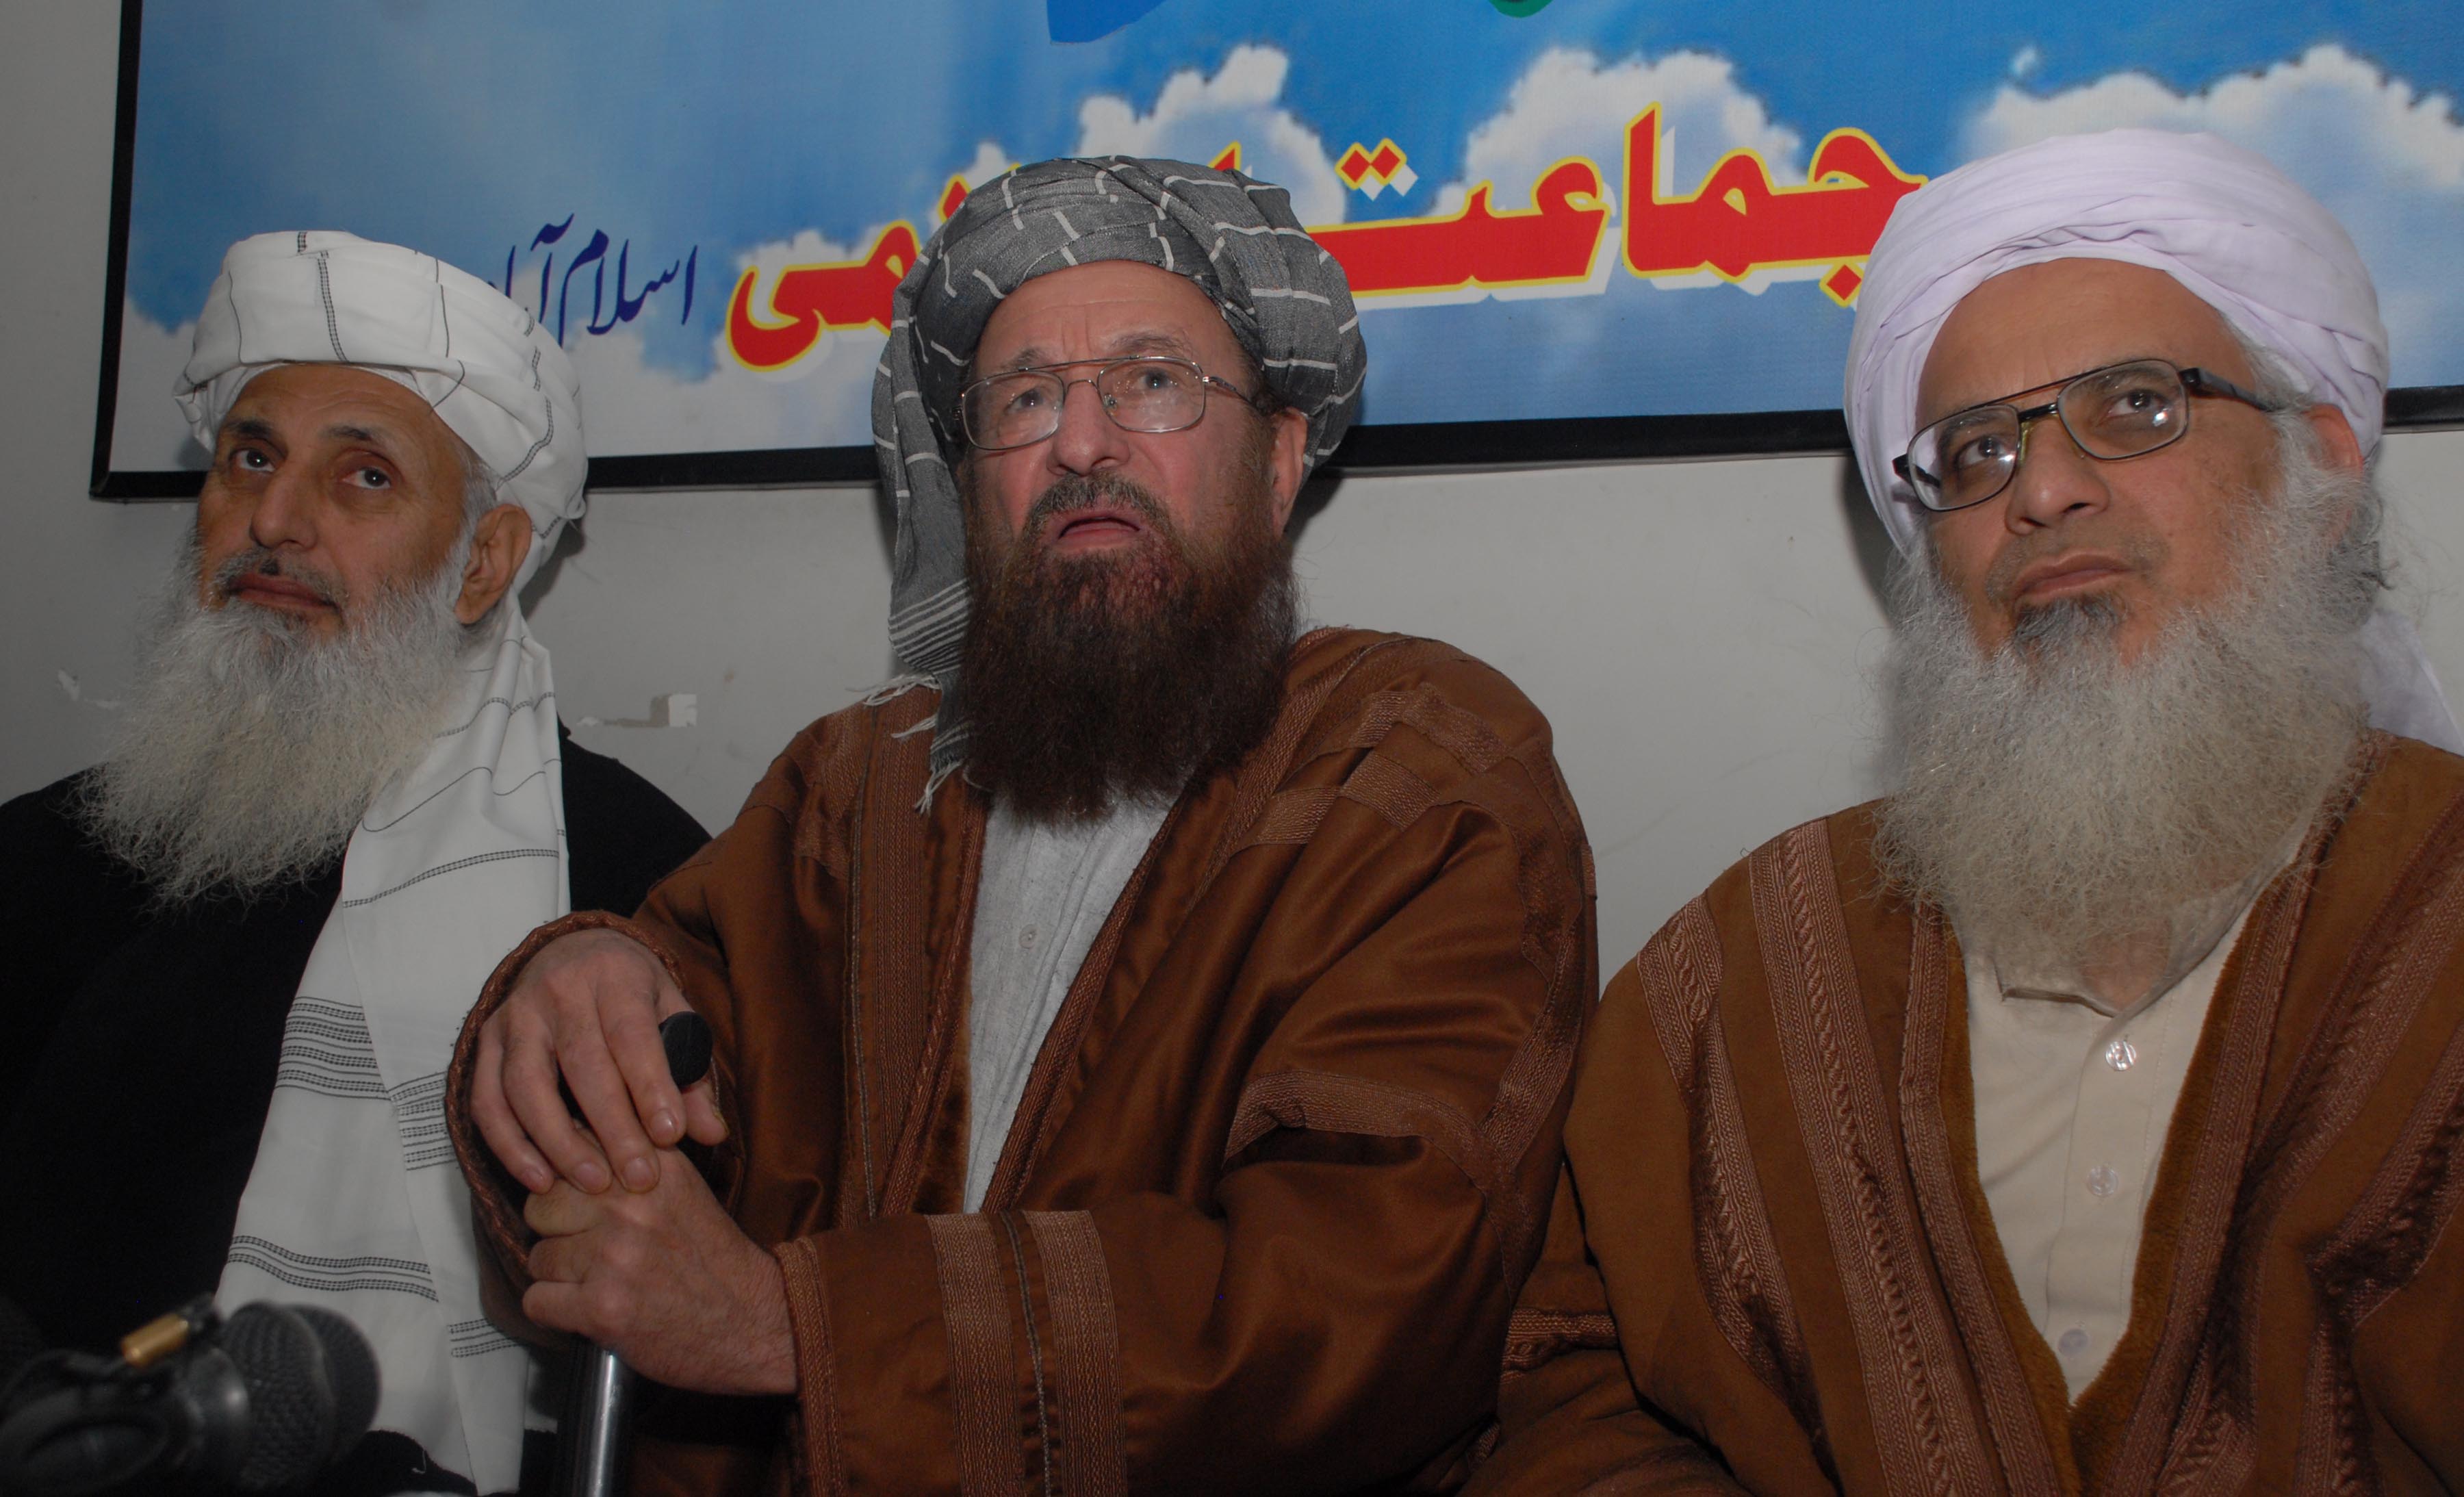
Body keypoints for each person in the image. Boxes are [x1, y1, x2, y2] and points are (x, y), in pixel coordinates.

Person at [447, 157, 1595, 1494]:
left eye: (1154, 381)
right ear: (972, 485)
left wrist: (798, 1330)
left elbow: (1364, 1298)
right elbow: (652, 1128)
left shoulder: (1415, 766)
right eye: (1026, 399)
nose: (1083, 443)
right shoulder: (855, 785)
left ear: (1278, 461)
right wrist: (579, 987)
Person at [1470, 130, 2464, 1493]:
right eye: (1978, 451)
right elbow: (1576, 1389)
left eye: (2135, 407)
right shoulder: (1744, 969)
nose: (2044, 490)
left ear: (2325, 466)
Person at [0, 232, 708, 1496]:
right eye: (251, 458)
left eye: (364, 477)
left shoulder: (629, 885)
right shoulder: (42, 855)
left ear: (484, 562)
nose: (272, 522)